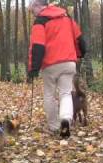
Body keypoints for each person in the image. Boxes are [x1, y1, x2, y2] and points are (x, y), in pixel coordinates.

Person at [28, 0, 86, 138]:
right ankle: (66, 119)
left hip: (50, 64)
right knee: (65, 93)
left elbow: (38, 46)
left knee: (49, 95)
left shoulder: (40, 22)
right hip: (68, 62)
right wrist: (80, 53)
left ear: (38, 5)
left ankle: (54, 126)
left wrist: (34, 68)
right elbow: (80, 39)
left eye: (32, 10)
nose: (33, 14)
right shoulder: (66, 17)